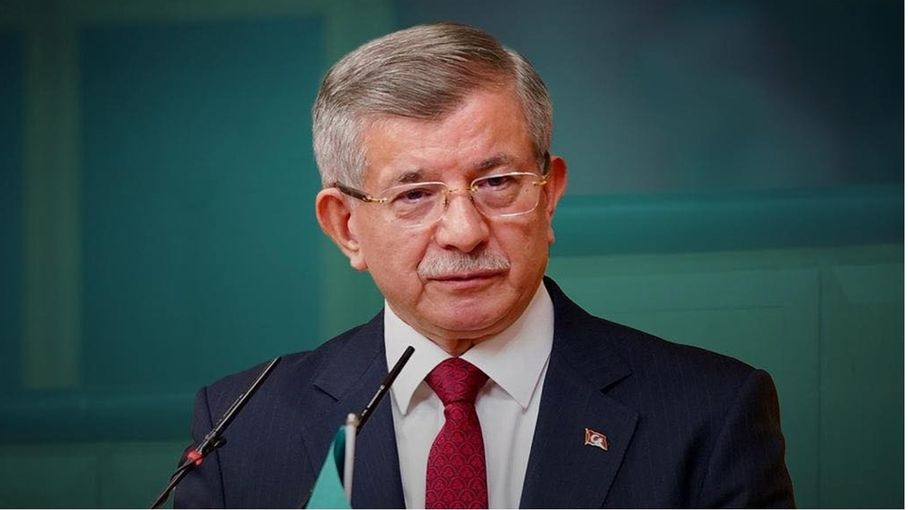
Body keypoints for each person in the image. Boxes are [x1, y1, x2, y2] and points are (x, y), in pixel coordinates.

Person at [174, 22, 795, 508]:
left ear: (549, 196)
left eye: (497, 183)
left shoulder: (710, 412)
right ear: (345, 226)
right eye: (415, 195)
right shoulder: (241, 429)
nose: (465, 232)